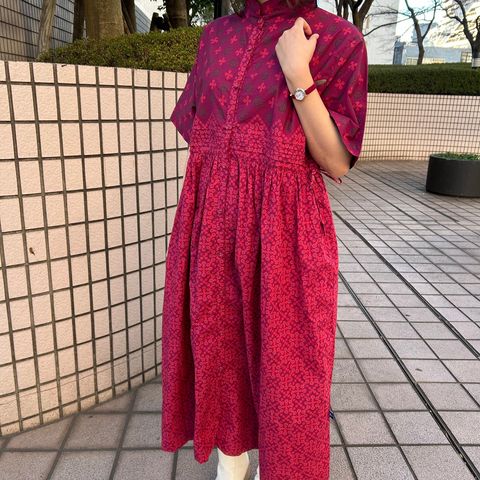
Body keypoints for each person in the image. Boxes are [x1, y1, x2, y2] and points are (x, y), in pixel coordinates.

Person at [160, 0, 368, 477]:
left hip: (286, 231)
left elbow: (336, 160)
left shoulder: (339, 39)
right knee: (220, 351)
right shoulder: (215, 37)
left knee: (289, 369)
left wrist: (298, 74)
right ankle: (231, 465)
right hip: (212, 221)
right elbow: (199, 128)